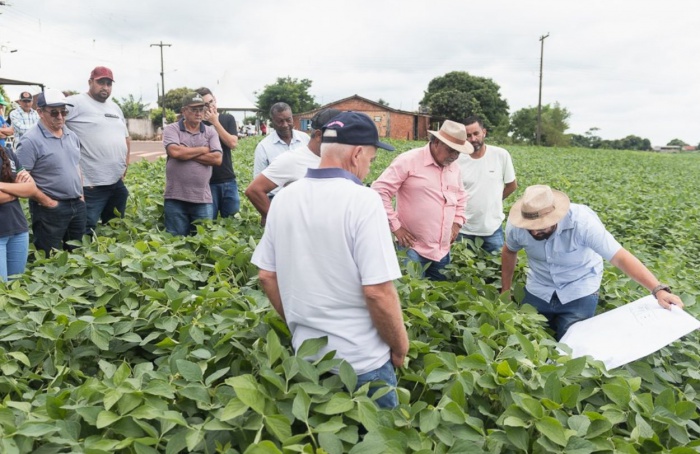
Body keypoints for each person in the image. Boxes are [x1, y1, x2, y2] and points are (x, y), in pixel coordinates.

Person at [252, 111, 408, 409]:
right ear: (357, 153)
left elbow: (266, 276)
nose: (367, 168)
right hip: (362, 363)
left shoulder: (284, 198)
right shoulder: (363, 200)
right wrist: (400, 347)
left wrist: (299, 325)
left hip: (308, 359)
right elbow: (377, 292)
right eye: (371, 160)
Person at [501, 184, 684, 340]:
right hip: (539, 287)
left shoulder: (582, 223)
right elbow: (509, 251)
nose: (534, 233)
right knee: (531, 336)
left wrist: (658, 289)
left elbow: (619, 256)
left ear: (556, 215)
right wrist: (506, 290)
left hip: (579, 289)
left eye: (541, 227)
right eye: (530, 228)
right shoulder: (517, 226)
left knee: (572, 344)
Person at [372, 120, 472, 281]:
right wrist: (396, 227)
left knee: (440, 297)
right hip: (412, 249)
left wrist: (457, 222)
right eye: (450, 150)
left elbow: (461, 196)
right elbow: (379, 191)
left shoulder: (455, 167)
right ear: (437, 142)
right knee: (412, 296)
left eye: (458, 152)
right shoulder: (408, 160)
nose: (454, 156)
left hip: (443, 251)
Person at [16, 89, 86, 255]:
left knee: (77, 255)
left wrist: (81, 196)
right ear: (40, 112)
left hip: (77, 204)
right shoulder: (30, 141)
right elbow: (21, 179)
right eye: (54, 113)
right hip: (49, 208)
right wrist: (47, 201)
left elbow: (76, 166)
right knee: (49, 257)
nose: (60, 117)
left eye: (64, 112)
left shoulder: (71, 135)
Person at [244, 108, 341, 225]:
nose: (345, 140)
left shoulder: (337, 159)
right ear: (319, 135)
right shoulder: (290, 159)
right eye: (338, 135)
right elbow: (254, 190)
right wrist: (277, 223)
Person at [65, 66, 130, 235]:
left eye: (109, 83)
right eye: (101, 82)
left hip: (116, 182)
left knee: (114, 227)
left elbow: (125, 137)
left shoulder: (115, 108)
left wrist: (126, 163)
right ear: (90, 82)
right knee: (85, 228)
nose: (105, 87)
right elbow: (53, 123)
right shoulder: (75, 102)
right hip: (91, 183)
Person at [162, 92, 222, 236]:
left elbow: (217, 159)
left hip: (202, 198)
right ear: (183, 111)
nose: (198, 113)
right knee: (175, 243)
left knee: (204, 243)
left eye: (201, 109)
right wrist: (203, 149)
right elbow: (175, 152)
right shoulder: (172, 129)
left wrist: (186, 152)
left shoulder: (210, 132)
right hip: (175, 197)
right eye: (194, 109)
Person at [457, 115, 517, 253]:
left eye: (476, 133)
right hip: (463, 228)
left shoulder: (500, 155)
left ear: (484, 132)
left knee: (496, 270)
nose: (473, 139)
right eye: (468, 135)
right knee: (463, 269)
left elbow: (511, 185)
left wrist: (494, 199)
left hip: (492, 228)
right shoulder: (458, 159)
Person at [195, 87, 239, 218]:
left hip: (228, 179)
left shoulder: (227, 118)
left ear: (215, 100)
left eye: (211, 102)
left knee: (232, 223)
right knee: (208, 223)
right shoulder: (197, 124)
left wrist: (215, 122)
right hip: (207, 182)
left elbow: (232, 143)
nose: (209, 106)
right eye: (205, 105)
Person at [252, 102, 310, 193]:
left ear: (292, 118)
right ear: (273, 122)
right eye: (280, 121)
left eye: (288, 120)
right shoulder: (264, 147)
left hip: (305, 195)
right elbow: (258, 182)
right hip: (277, 198)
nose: (285, 125)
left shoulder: (305, 139)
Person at [0, 145, 37, 280]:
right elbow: (24, 190)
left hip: (18, 229)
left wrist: (3, 186)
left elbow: (31, 188)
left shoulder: (7, 152)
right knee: (2, 291)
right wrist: (17, 191)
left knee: (15, 287)